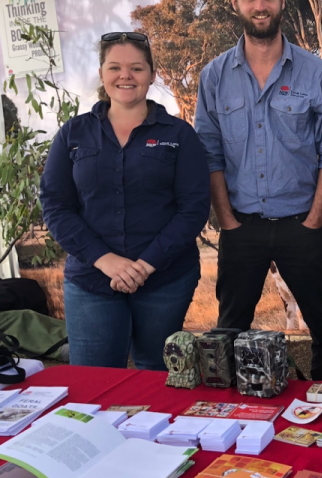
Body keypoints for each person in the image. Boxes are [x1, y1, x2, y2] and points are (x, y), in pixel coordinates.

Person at [193, 0, 322, 381]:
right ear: (235, 2)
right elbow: (209, 152)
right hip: (241, 227)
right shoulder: (214, 76)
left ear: (281, 1)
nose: (259, 5)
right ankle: (232, 412)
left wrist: (316, 219)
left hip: (303, 225)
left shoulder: (316, 73)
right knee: (228, 333)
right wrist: (226, 220)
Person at [40, 32, 210, 370]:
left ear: (152, 74)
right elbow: (56, 206)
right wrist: (106, 261)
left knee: (157, 375)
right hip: (91, 280)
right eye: (115, 67)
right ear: (102, 73)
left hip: (165, 279)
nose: (125, 76)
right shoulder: (73, 133)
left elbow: (193, 209)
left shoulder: (179, 135)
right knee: (94, 380)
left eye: (137, 68)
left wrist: (144, 266)